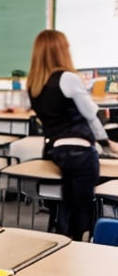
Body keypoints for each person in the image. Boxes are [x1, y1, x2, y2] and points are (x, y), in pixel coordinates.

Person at [27, 29, 118, 240]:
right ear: (61, 51)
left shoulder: (33, 83)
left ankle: (63, 239)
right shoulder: (67, 78)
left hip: (53, 150)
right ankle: (80, 241)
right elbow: (91, 115)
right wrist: (107, 144)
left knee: (68, 202)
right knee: (83, 205)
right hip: (78, 151)